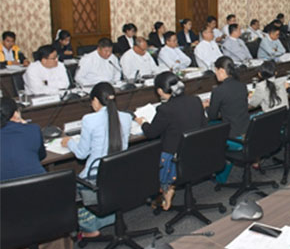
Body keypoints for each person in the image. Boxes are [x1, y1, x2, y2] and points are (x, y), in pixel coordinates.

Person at [1, 98, 72, 249]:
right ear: (16, 113)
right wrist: (24, 126)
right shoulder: (32, 130)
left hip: (7, 205)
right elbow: (40, 155)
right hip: (42, 197)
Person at [62, 82, 132, 237]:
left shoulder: (89, 120)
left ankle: (89, 226)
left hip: (95, 177)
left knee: (65, 187)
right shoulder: (126, 117)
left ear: (95, 100)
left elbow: (81, 154)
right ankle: (111, 217)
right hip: (118, 173)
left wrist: (70, 143)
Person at [135, 72, 207, 210]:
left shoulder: (165, 109)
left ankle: (166, 188)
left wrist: (142, 122)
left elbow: (151, 133)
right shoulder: (196, 100)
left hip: (175, 159)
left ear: (160, 91)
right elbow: (204, 126)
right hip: (197, 153)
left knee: (148, 151)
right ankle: (169, 187)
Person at [203, 56, 250, 140]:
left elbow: (212, 116)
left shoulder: (218, 91)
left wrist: (207, 106)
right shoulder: (242, 85)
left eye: (216, 71)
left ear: (221, 70)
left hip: (232, 135)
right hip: (247, 130)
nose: (215, 74)